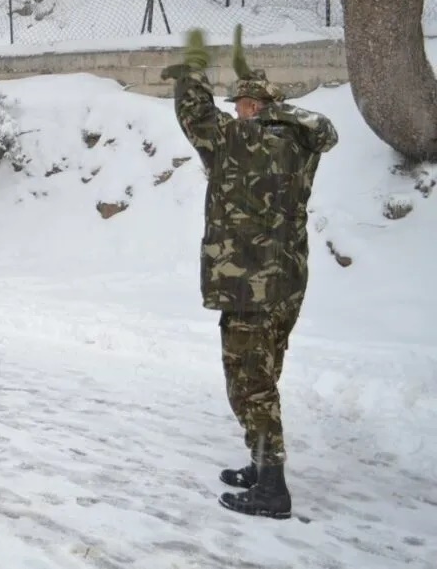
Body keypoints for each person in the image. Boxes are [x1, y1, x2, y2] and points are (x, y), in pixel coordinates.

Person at [162, 26, 337, 520]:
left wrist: (193, 66)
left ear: (254, 109)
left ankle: (272, 491)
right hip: (287, 284)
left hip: (246, 287)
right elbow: (324, 127)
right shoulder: (300, 142)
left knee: (248, 383)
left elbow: (193, 112)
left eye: (243, 103)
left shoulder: (234, 140)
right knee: (266, 373)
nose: (238, 108)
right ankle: (260, 468)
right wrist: (261, 91)